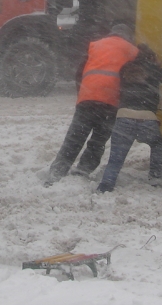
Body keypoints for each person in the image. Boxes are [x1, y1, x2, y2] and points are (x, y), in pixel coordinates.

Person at [45, 24, 139, 185]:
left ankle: (57, 172)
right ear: (128, 36)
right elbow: (134, 80)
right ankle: (83, 170)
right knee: (98, 140)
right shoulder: (133, 51)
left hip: (87, 98)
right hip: (111, 102)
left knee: (74, 138)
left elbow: (79, 72)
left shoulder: (96, 45)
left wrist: (82, 94)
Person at [96, 45, 162, 193]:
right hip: (147, 118)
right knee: (156, 144)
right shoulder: (154, 71)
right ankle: (155, 177)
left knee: (116, 158)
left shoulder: (125, 70)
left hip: (124, 117)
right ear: (150, 58)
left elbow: (137, 76)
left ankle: (105, 186)